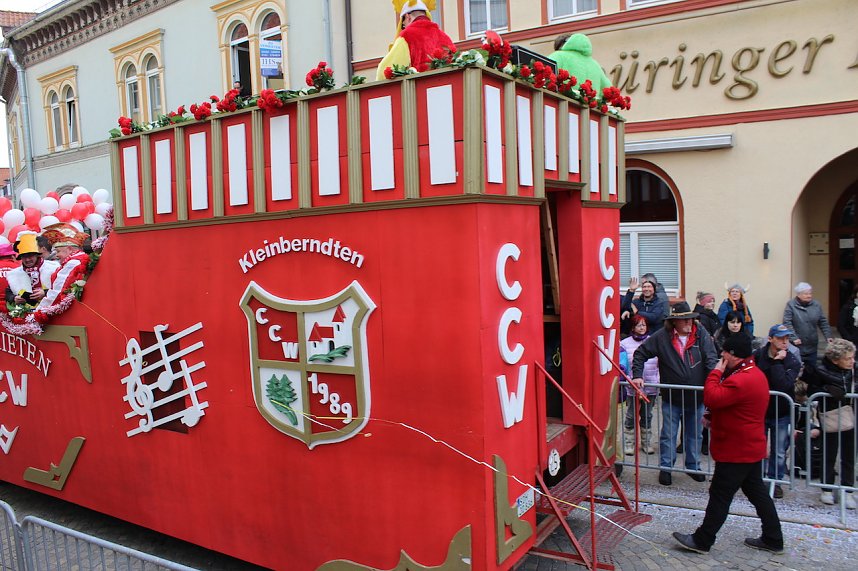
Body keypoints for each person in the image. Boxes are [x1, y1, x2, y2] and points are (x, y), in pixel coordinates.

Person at [672, 334, 784, 555]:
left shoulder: (740, 378)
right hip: (748, 446)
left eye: (724, 352)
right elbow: (735, 406)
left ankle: (703, 540)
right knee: (757, 493)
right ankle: (773, 537)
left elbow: (712, 397)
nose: (721, 355)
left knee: (720, 495)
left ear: (732, 355)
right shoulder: (753, 374)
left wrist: (715, 372)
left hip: (737, 449)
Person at [631, 302, 718, 486]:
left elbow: (711, 359)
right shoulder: (662, 336)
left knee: (695, 434)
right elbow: (640, 354)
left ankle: (693, 467)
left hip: (697, 396)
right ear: (675, 322)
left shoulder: (701, 334)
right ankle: (666, 468)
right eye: (684, 319)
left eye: (690, 319)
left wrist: (714, 384)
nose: (689, 322)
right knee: (668, 435)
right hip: (672, 397)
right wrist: (637, 375)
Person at [753, 324, 801, 499]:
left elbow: (783, 384)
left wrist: (777, 362)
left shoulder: (792, 360)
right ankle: (756, 480)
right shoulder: (758, 356)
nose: (784, 342)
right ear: (771, 338)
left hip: (781, 412)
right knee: (759, 448)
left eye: (787, 338)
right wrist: (774, 362)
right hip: (761, 410)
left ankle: (775, 481)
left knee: (779, 450)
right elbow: (755, 378)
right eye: (780, 338)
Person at [806, 338, 856, 508]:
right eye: (848, 358)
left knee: (849, 455)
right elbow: (811, 390)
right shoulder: (821, 370)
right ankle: (826, 488)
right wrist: (826, 390)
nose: (852, 361)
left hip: (852, 415)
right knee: (829, 453)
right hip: (830, 415)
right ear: (836, 359)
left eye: (852, 358)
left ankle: (847, 490)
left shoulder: (854, 370)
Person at [376, 0, 455, 80]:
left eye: (403, 24)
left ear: (408, 17)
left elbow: (384, 71)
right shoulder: (445, 36)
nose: (404, 27)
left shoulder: (407, 35)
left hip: (420, 89)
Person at [620, 315, 659, 455]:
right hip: (632, 386)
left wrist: (657, 379)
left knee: (647, 415)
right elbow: (623, 365)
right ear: (633, 327)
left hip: (651, 384)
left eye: (644, 325)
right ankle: (629, 443)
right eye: (639, 325)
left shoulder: (654, 341)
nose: (642, 328)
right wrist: (630, 379)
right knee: (631, 415)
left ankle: (646, 442)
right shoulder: (624, 343)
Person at [35, 223, 90, 315]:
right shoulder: (80, 259)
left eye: (58, 251)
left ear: (69, 249)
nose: (56, 255)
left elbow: (57, 292)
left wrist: (38, 313)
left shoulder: (73, 263)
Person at [6, 231, 60, 311]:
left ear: (36, 255)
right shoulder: (14, 274)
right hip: (26, 315)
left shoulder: (53, 268)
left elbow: (62, 288)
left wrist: (45, 293)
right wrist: (14, 298)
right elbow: (8, 293)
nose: (27, 260)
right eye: (24, 257)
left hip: (52, 312)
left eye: (30, 256)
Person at [783, 282, 832, 369]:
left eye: (810, 293)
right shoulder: (791, 305)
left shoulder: (816, 305)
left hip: (811, 344)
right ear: (798, 295)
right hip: (797, 344)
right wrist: (793, 337)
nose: (809, 296)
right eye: (806, 294)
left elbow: (823, 321)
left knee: (811, 369)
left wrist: (828, 336)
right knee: (797, 368)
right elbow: (787, 322)